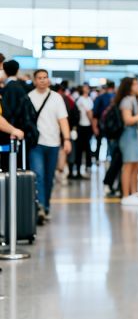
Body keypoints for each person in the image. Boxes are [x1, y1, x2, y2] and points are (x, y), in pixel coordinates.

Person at [28, 69, 72, 224]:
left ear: (48, 80)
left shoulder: (56, 98)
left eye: (45, 77)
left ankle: (46, 207)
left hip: (53, 143)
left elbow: (63, 120)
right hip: (36, 144)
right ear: (34, 81)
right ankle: (39, 206)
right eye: (39, 78)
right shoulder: (29, 97)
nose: (42, 80)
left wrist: (67, 139)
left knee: (49, 177)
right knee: (39, 175)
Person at [116, 77, 138, 206]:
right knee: (128, 166)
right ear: (128, 86)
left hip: (134, 135)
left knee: (136, 165)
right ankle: (125, 195)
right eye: (135, 84)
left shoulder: (134, 99)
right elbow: (127, 120)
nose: (137, 86)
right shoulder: (127, 100)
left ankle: (133, 193)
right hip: (128, 135)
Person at [73, 84, 94, 178]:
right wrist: (93, 124)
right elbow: (89, 112)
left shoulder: (89, 99)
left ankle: (87, 167)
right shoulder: (81, 99)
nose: (87, 89)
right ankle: (78, 169)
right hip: (81, 127)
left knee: (87, 148)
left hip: (87, 126)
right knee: (80, 149)